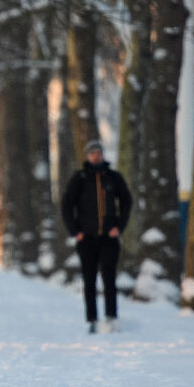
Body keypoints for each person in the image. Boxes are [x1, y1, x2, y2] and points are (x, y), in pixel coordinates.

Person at [61, 139, 132, 333]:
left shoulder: (112, 177)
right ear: (87, 156)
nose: (95, 156)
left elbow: (126, 201)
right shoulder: (80, 178)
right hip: (87, 240)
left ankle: (111, 316)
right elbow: (67, 204)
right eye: (92, 153)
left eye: (98, 152)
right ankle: (92, 319)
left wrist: (119, 226)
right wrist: (75, 231)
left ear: (102, 154)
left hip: (109, 238)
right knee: (89, 279)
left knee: (109, 278)